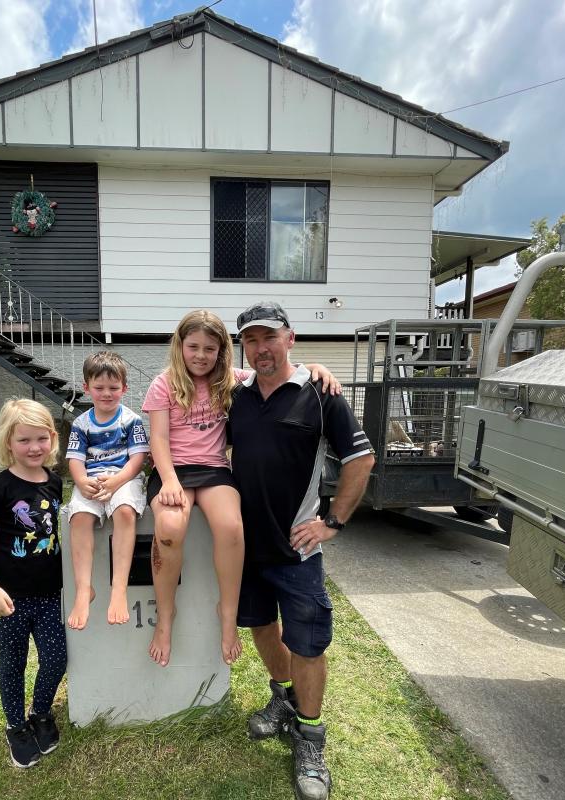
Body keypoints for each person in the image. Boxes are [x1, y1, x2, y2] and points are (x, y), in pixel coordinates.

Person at [229, 301, 375, 800]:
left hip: (297, 550)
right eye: (251, 339)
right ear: (243, 347)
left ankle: (310, 739)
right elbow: (189, 370)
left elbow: (361, 457)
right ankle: (284, 699)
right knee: (261, 626)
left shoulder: (320, 393)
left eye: (269, 337)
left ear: (291, 338)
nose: (261, 347)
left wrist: (332, 522)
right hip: (244, 548)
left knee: (308, 644)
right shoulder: (235, 392)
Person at [142, 309, 338, 668]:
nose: (201, 355)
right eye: (193, 346)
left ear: (222, 352)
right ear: (180, 346)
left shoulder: (231, 381)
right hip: (174, 471)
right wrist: (168, 479)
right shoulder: (164, 383)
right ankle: (165, 618)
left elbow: (278, 371)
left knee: (232, 527)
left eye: (210, 349)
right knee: (170, 528)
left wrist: (314, 368)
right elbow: (158, 439)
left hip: (214, 469)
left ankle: (228, 618)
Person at [0, 398, 66, 769]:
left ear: (52, 438)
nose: (34, 448)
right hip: (8, 598)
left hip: (50, 594)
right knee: (13, 662)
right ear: (9, 441)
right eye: (24, 440)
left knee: (57, 658)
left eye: (41, 439)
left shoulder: (55, 482)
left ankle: (41, 712)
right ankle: (15, 726)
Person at [64, 351, 149, 629]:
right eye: (99, 388)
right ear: (86, 388)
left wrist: (116, 482)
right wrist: (80, 481)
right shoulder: (81, 423)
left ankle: (119, 588)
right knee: (78, 518)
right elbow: (75, 459)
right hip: (90, 479)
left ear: (124, 388)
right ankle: (83, 589)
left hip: (123, 478)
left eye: (113, 388)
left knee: (125, 512)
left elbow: (138, 459)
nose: (106, 394)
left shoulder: (131, 420)